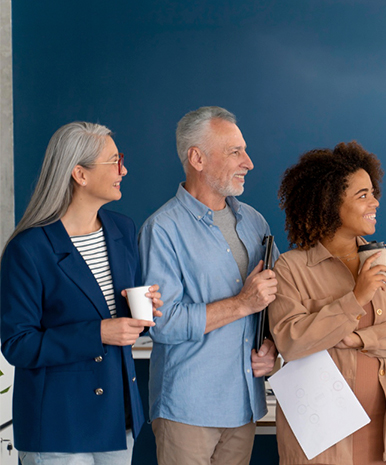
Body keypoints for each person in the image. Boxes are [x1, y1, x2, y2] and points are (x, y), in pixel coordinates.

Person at [1, 122, 163, 464]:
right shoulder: (28, 249)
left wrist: (143, 314)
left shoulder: (122, 228)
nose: (125, 169)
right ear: (80, 174)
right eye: (114, 161)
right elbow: (18, 344)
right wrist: (99, 332)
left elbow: (119, 317)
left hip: (118, 416)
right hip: (58, 423)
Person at [268, 141, 386, 464]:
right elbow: (292, 341)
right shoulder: (291, 267)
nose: (375, 202)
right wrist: (356, 298)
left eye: (373, 192)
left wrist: (359, 338)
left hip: (383, 430)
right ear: (330, 204)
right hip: (321, 436)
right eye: (363, 195)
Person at [139, 106, 278, 465]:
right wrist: (242, 304)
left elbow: (273, 301)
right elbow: (163, 323)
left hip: (244, 405)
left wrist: (271, 346)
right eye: (235, 152)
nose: (248, 162)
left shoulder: (255, 222)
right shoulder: (163, 229)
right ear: (196, 158)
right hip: (188, 411)